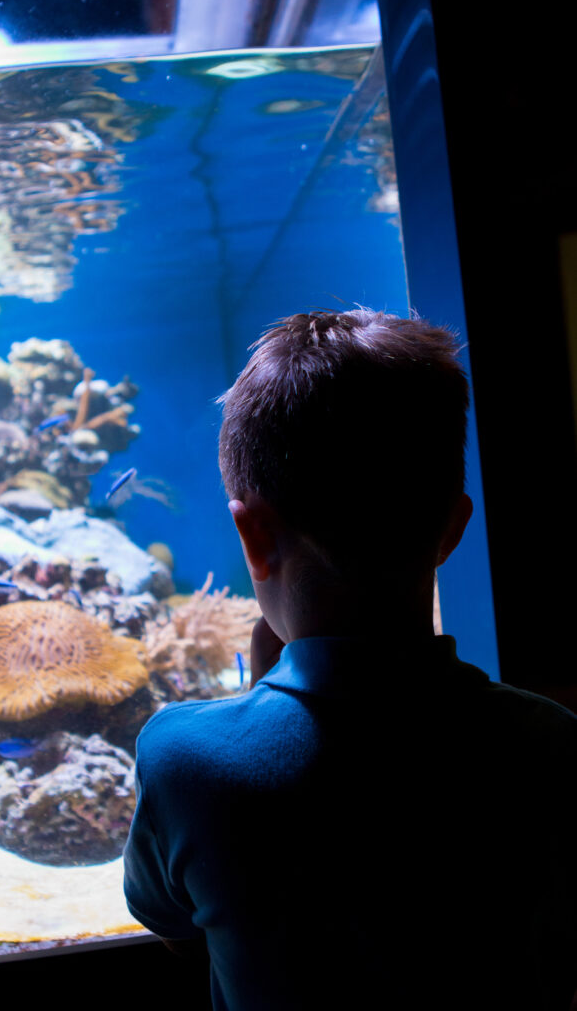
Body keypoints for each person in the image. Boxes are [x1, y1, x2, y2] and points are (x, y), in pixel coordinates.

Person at [123, 307, 577, 1010]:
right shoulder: (548, 744)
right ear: (452, 529)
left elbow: (180, 931)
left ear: (251, 538)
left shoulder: (183, 758)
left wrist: (261, 690)